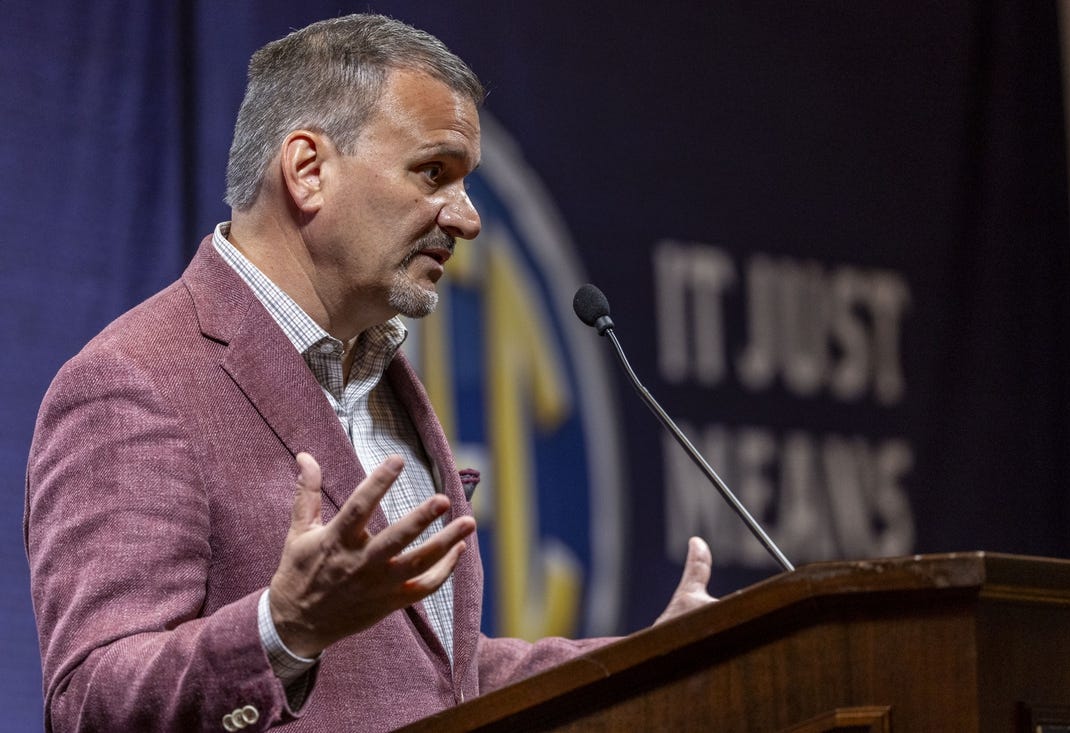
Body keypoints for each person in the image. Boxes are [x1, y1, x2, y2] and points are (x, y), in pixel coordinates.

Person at [25, 13, 716, 732]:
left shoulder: (381, 378)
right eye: (434, 173)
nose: (469, 218)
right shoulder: (133, 381)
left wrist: (647, 660)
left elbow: (441, 679)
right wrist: (281, 628)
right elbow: (90, 701)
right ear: (308, 169)